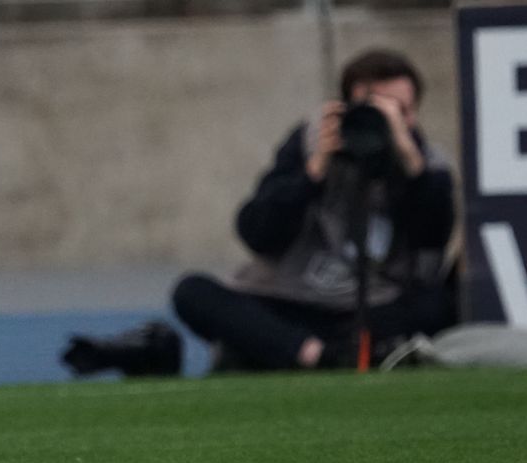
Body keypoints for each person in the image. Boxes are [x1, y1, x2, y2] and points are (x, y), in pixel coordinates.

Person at [169, 48, 457, 372]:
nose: (383, 120)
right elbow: (256, 233)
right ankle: (316, 355)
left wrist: (410, 163)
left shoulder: (427, 164)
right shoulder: (310, 143)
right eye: (372, 109)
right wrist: (313, 173)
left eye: (399, 111)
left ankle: (273, 352)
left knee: (440, 305)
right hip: (288, 298)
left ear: (413, 115)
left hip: (370, 307)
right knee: (193, 292)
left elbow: (432, 239)